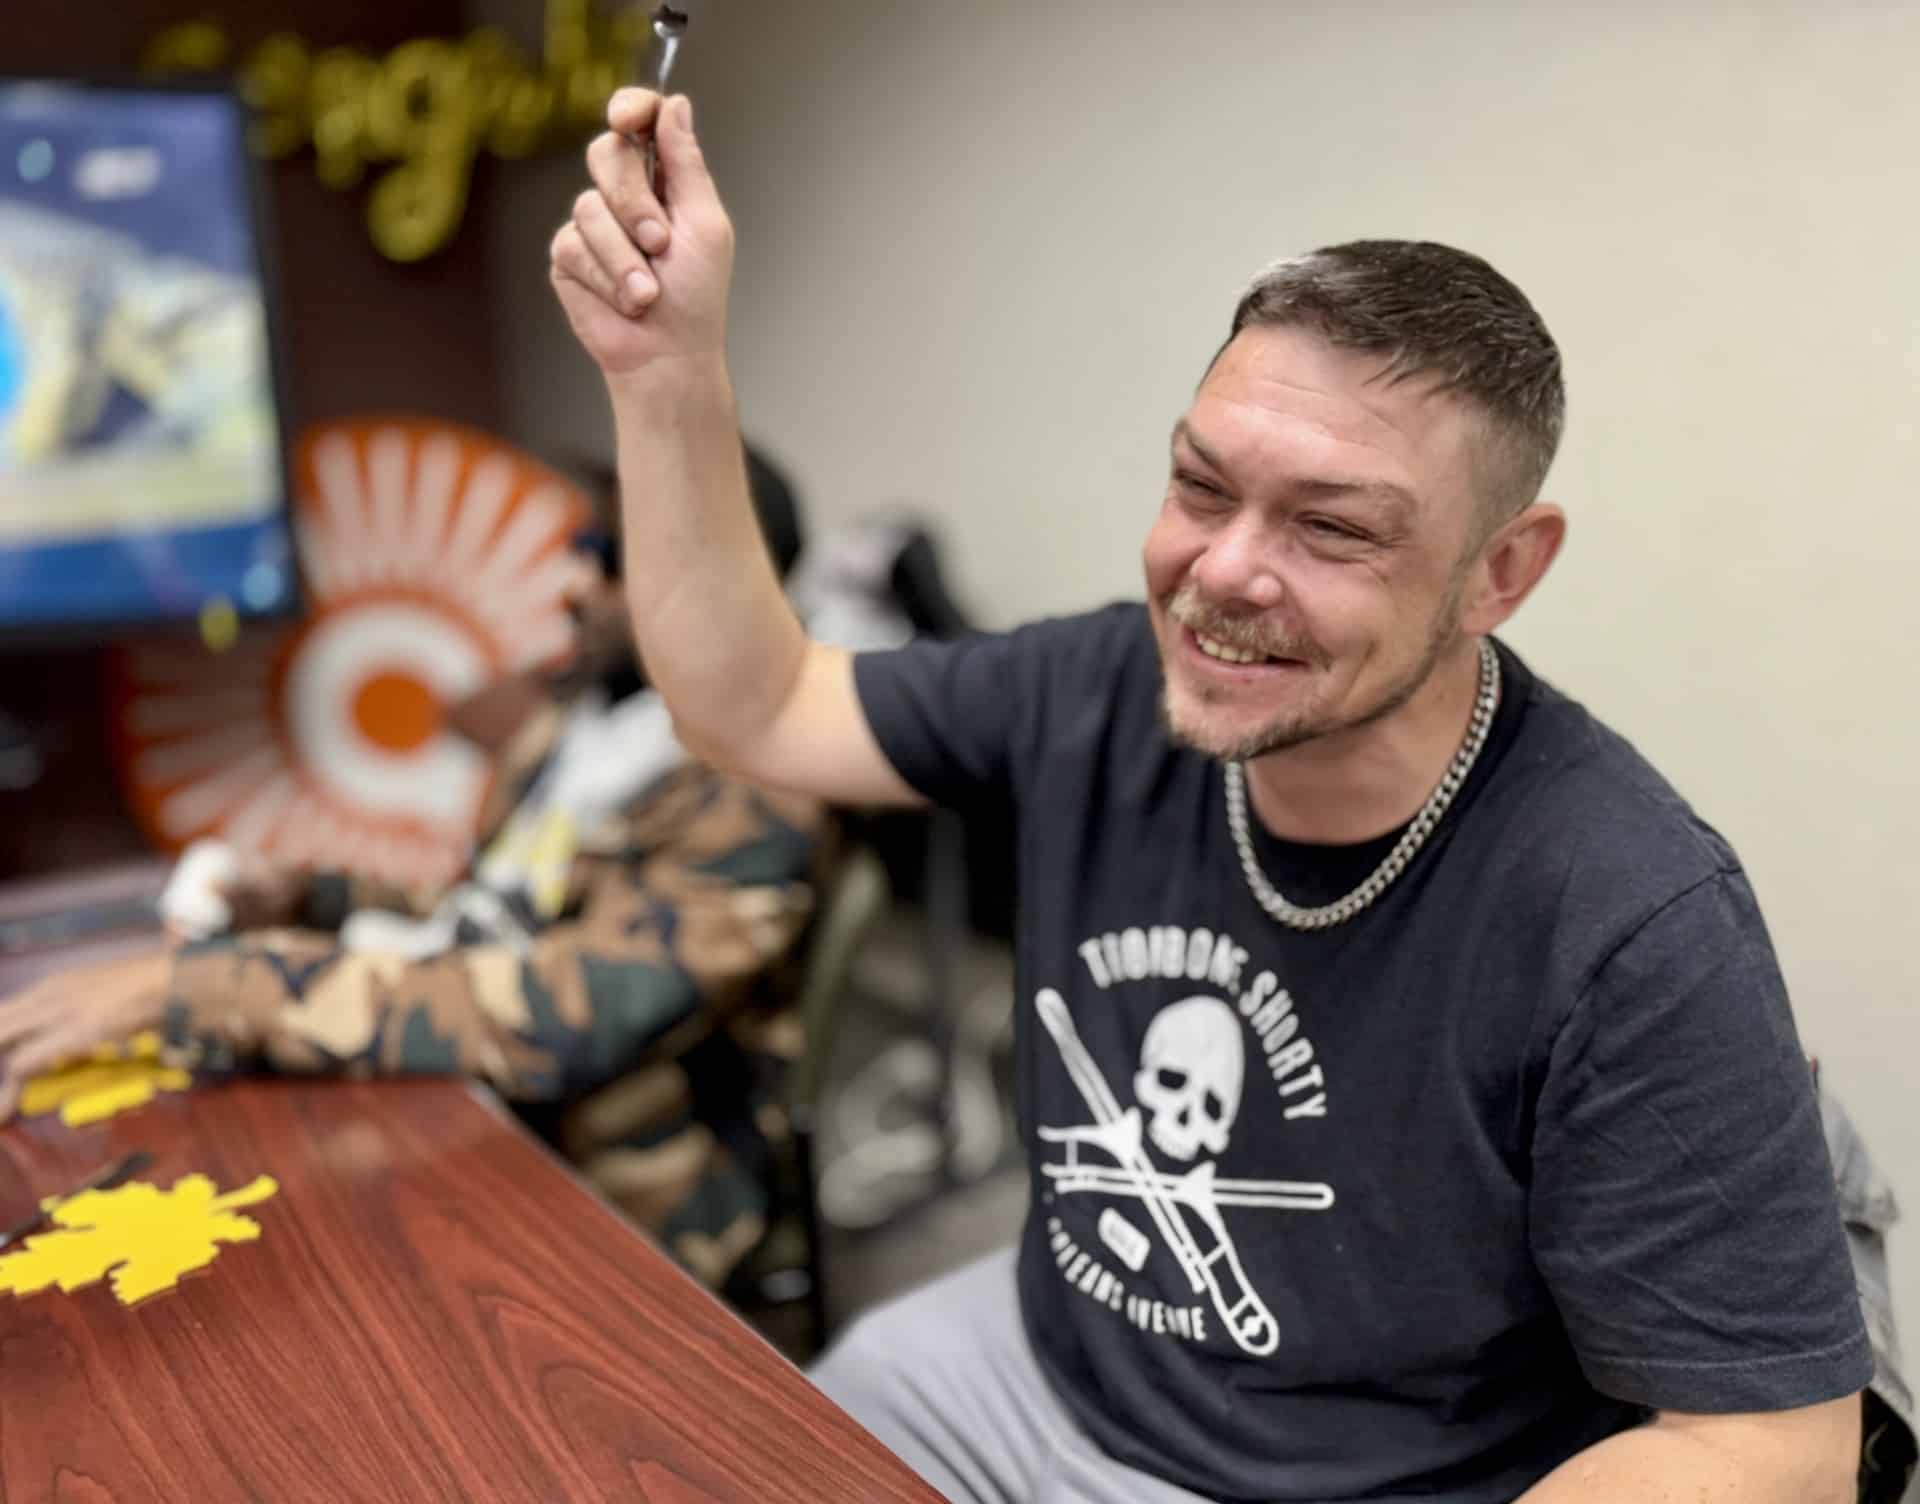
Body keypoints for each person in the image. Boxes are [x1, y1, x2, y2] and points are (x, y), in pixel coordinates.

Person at [544, 89, 1869, 1502]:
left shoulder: (1623, 912)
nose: (1224, 571)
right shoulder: (1099, 689)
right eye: (1200, 485)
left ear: (1501, 572)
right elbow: (750, 704)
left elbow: (1772, 1442)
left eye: (1332, 528)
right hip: (1028, 1370)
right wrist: (664, 371)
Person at [0, 492, 831, 1293]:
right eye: (580, 552)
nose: (573, 586)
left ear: (716, 579)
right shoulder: (581, 731)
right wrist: (299, 897)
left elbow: (568, 1014)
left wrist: (203, 988)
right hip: (486, 1113)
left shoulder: (757, 790)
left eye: (607, 560)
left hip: (620, 1185)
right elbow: (489, 912)